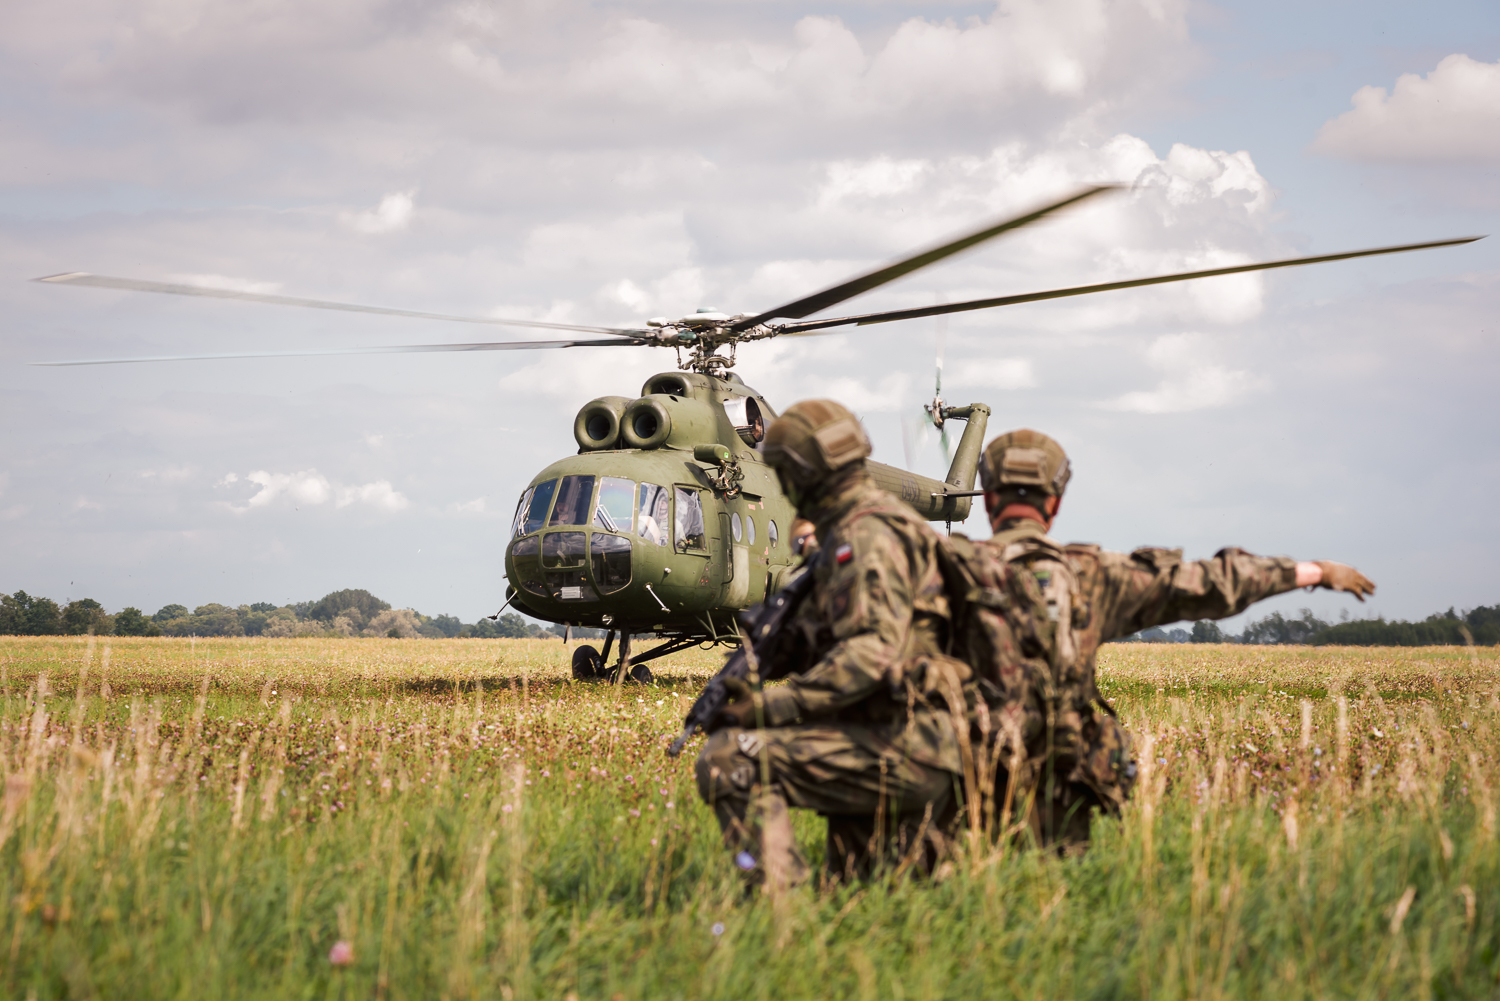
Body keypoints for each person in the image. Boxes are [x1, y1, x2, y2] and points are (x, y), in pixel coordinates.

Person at [957, 428, 1376, 851]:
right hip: (1064, 793)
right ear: (1055, 503)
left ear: (989, 499)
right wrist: (1315, 571)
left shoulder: (943, 567)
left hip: (960, 786)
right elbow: (1211, 583)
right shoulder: (1095, 576)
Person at [694, 399, 971, 887]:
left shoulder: (862, 536)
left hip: (906, 745)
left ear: (805, 473)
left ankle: (779, 911)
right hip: (917, 736)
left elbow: (871, 654)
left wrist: (767, 709)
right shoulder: (879, 525)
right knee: (865, 890)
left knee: (727, 757)